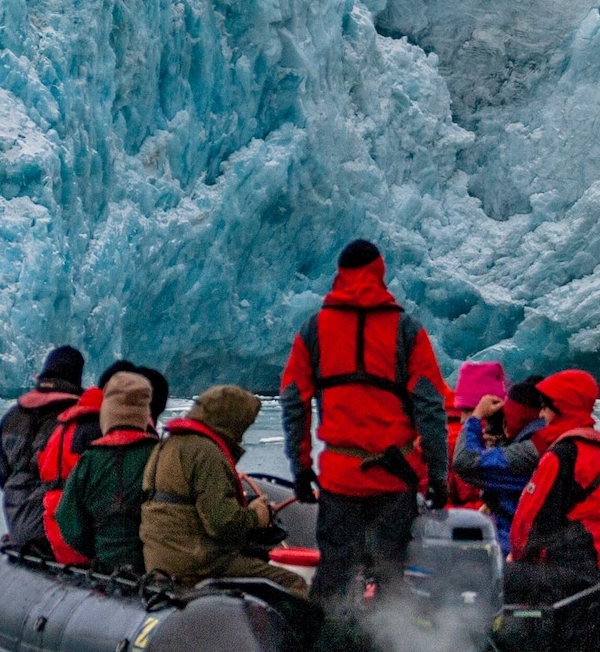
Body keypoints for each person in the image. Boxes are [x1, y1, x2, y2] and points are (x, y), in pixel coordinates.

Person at [278, 239, 450, 614]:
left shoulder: (315, 329)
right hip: (395, 478)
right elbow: (430, 407)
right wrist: (438, 475)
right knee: (392, 576)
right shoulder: (406, 330)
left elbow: (294, 400)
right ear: (380, 272)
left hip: (340, 478)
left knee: (335, 573)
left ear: (340, 273)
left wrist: (301, 468)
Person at [140, 385, 308, 594]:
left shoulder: (166, 446)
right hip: (198, 562)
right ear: (231, 420)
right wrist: (257, 515)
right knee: (292, 583)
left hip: (160, 559)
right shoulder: (205, 452)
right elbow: (222, 523)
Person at [503, 368, 600, 601]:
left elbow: (527, 523)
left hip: (575, 574)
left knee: (500, 576)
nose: (541, 413)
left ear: (561, 408)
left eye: (545, 406)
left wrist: (515, 558)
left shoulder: (560, 456)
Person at [40, 361, 166, 566]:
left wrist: (94, 549)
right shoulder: (160, 455)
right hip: (149, 565)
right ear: (145, 413)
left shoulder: (90, 459)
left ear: (107, 411)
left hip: (103, 560)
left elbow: (66, 518)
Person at [0, 346, 84, 551]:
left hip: (16, 521)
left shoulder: (11, 417)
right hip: (57, 532)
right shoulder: (77, 420)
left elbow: (3, 477)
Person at [452, 376, 551, 552]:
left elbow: (465, 461)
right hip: (524, 541)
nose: (462, 419)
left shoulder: (534, 450)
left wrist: (475, 418)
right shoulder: (551, 440)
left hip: (516, 548)